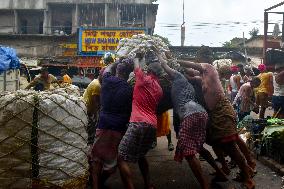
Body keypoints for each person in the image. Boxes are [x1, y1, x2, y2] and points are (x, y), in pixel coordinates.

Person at [177, 60, 255, 189]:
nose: (191, 69)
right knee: (220, 143)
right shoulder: (200, 78)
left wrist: (176, 61)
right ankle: (241, 169)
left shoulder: (210, 69)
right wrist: (174, 70)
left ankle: (248, 178)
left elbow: (192, 66)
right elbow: (188, 76)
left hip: (223, 111)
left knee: (231, 147)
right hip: (213, 114)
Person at [118, 55, 163, 189]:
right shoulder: (160, 90)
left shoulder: (143, 79)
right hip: (152, 125)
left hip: (138, 123)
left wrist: (137, 57)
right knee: (141, 156)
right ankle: (148, 185)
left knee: (120, 157)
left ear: (149, 71)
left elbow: (136, 67)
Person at [89, 60, 133, 189]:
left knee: (96, 159)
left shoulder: (108, 80)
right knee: (112, 162)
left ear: (118, 71)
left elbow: (108, 68)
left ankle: (96, 185)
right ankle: (102, 181)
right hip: (119, 128)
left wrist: (117, 61)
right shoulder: (130, 89)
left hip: (103, 124)